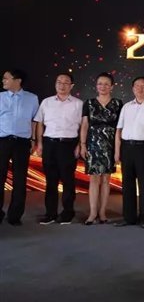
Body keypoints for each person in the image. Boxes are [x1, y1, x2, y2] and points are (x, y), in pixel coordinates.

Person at [35, 73, 83, 225]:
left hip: (68, 145)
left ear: (72, 86)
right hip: (49, 144)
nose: (62, 85)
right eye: (59, 82)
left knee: (68, 181)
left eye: (66, 82)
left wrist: (80, 145)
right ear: (55, 84)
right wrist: (39, 143)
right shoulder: (46, 102)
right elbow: (39, 123)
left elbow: (83, 127)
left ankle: (68, 212)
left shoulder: (78, 104)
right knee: (50, 181)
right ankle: (50, 213)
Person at [114, 77, 144, 228]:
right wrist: (117, 150)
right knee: (127, 184)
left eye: (143, 86)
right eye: (137, 86)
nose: (140, 89)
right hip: (127, 148)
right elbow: (119, 129)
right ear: (133, 89)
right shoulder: (127, 107)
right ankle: (129, 217)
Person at [80, 72, 123, 225]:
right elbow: (85, 125)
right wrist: (82, 145)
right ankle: (92, 213)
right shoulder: (89, 103)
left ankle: (103, 212)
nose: (102, 86)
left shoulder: (118, 104)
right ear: (96, 86)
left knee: (106, 179)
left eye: (106, 84)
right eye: (100, 84)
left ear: (112, 86)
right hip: (93, 144)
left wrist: (117, 150)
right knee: (94, 179)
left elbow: (119, 128)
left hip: (111, 144)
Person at [0, 69, 39, 225]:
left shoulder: (32, 98)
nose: (3, 81)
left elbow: (34, 121)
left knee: (20, 179)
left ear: (18, 80)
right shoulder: (0, 97)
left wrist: (34, 140)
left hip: (22, 142)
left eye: (6, 78)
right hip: (2, 141)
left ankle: (15, 216)